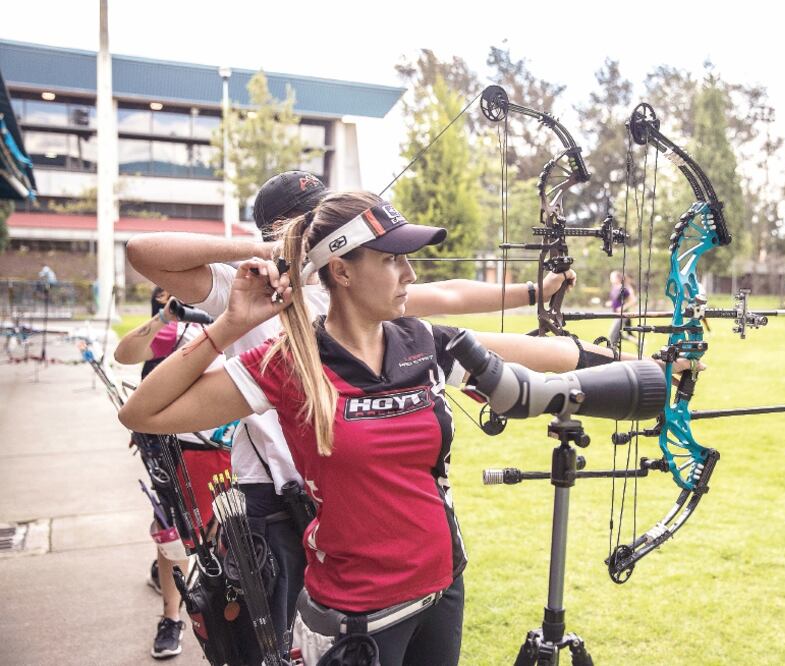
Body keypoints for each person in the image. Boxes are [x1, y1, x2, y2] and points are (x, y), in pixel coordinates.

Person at [119, 191, 699, 666]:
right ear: (341, 270)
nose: (408, 272)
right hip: (357, 614)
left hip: (440, 586)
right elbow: (142, 412)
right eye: (393, 258)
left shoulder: (424, 341)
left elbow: (526, 362)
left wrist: (639, 371)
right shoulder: (286, 364)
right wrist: (228, 325)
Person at [114, 289, 231, 660]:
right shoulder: (183, 329)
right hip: (185, 450)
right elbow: (124, 354)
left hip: (242, 450)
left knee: (235, 540)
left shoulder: (254, 322)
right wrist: (165, 317)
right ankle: (171, 617)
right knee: (175, 536)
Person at [605, 270, 637, 347]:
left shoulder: (623, 288)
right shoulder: (614, 287)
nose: (610, 278)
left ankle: (612, 352)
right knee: (618, 335)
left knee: (612, 334)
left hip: (622, 315)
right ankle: (638, 342)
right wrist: (611, 303)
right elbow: (616, 300)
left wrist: (623, 307)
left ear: (618, 278)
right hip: (616, 315)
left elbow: (633, 300)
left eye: (612, 277)